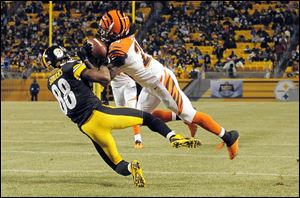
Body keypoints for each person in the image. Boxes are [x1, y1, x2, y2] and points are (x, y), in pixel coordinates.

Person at [85, 10, 239, 160]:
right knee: (145, 118)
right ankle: (183, 118)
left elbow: (106, 78)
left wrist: (91, 61)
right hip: (150, 84)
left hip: (161, 81)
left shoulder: (118, 50)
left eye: (106, 29)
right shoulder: (123, 38)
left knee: (191, 115)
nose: (103, 32)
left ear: (116, 32)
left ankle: (229, 136)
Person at [42, 45, 201, 187]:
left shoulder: (51, 81)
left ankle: (132, 167)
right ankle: (173, 137)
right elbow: (103, 78)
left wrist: (87, 61)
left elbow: (80, 82)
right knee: (147, 118)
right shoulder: (71, 66)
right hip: (101, 114)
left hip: (88, 128)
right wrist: (103, 61)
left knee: (116, 164)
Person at [111, 73, 144, 149]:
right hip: (115, 86)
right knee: (119, 112)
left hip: (128, 83)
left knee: (132, 112)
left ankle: (138, 140)